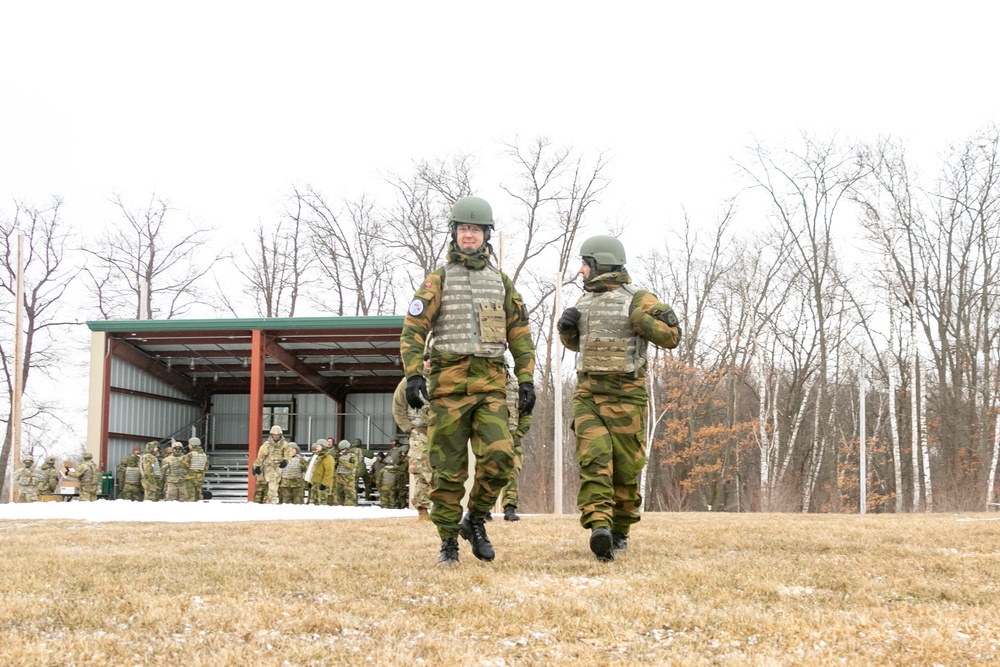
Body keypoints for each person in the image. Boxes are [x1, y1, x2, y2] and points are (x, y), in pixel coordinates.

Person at [399, 195, 536, 565]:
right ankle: (448, 540)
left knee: (500, 457)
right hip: (448, 386)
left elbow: (520, 334)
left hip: (491, 383)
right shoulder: (438, 280)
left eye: (475, 229)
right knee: (447, 469)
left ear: (486, 235)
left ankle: (475, 519)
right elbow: (413, 329)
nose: (469, 235)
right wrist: (414, 375)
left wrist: (526, 380)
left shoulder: (501, 283)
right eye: (463, 229)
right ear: (454, 233)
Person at [557, 235, 681, 561]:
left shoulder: (638, 299)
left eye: (585, 263)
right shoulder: (583, 302)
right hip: (588, 395)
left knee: (625, 470)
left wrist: (640, 321)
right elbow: (577, 346)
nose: (581, 270)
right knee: (595, 459)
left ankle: (620, 529)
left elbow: (672, 336)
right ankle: (599, 525)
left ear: (601, 263)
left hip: (627, 398)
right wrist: (568, 330)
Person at [392, 356, 432, 521]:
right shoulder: (409, 381)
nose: (429, 361)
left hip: (443, 431)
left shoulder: (446, 378)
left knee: (444, 470)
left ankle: (445, 508)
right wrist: (409, 429)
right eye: (425, 358)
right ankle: (422, 509)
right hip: (420, 431)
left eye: (432, 357)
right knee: (421, 468)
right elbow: (398, 406)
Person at [500, 364, 533, 521]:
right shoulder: (486, 389)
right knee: (487, 473)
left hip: (513, 439)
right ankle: (482, 509)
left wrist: (518, 434)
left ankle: (509, 508)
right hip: (490, 439)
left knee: (512, 472)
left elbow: (526, 415)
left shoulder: (516, 388)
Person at [254, 425, 291, 505]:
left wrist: (286, 461)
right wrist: (257, 465)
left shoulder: (285, 444)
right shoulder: (266, 445)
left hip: (279, 467)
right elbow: (261, 456)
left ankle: (270, 499)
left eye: (277, 435)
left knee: (276, 483)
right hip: (269, 466)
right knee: (272, 482)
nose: (276, 436)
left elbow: (288, 454)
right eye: (274, 435)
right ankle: (272, 499)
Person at [379, 441, 408, 509]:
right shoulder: (395, 455)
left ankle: (401, 506)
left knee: (401, 494)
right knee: (395, 494)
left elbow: (404, 467)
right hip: (398, 477)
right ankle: (398, 506)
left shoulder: (405, 458)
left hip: (402, 477)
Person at [305, 439, 334, 505]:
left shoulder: (328, 458)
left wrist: (324, 484)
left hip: (321, 485)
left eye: (318, 446)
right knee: (313, 503)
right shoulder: (316, 457)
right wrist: (310, 481)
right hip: (314, 484)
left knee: (321, 503)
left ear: (323, 447)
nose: (316, 447)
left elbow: (329, 473)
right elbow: (312, 470)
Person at [332, 439, 359, 506]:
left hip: (348, 478)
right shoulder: (340, 456)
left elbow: (352, 467)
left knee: (350, 495)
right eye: (341, 450)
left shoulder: (352, 456)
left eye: (343, 450)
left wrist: (342, 460)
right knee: (339, 495)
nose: (341, 451)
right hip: (339, 477)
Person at [182, 436, 210, 502]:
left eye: (189, 444)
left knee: (190, 496)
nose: (188, 446)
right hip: (200, 478)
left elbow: (183, 464)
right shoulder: (204, 455)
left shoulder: (190, 454)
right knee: (199, 495)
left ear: (192, 445)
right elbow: (206, 467)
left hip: (190, 478)